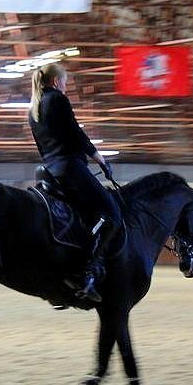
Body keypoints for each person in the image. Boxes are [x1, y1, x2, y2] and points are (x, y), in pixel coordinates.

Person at [28, 62, 121, 303]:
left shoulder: (34, 107)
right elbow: (75, 133)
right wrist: (99, 158)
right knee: (111, 215)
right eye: (65, 82)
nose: (66, 86)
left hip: (50, 170)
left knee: (85, 214)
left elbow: (42, 147)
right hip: (70, 168)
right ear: (57, 82)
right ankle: (86, 273)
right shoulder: (58, 100)